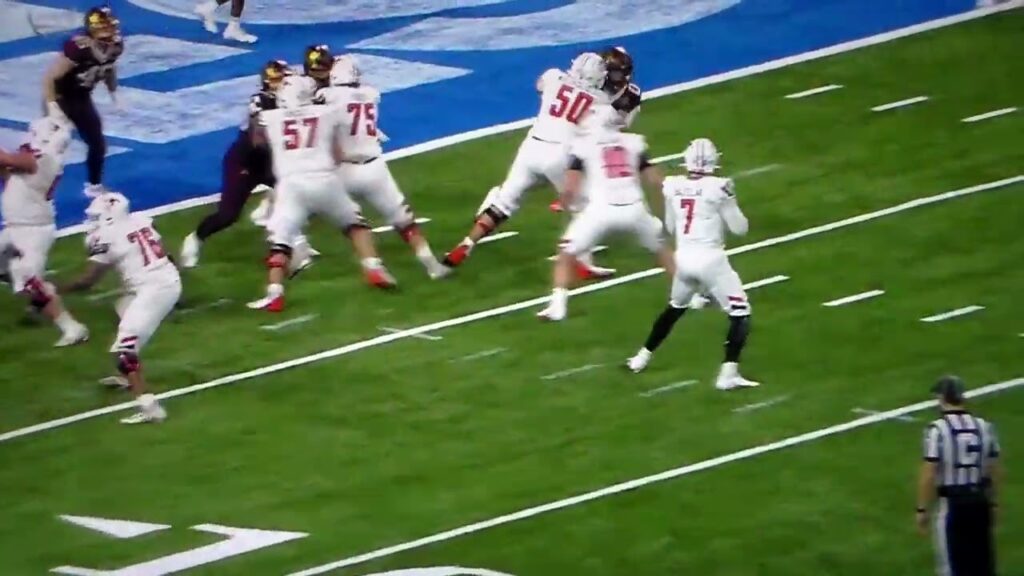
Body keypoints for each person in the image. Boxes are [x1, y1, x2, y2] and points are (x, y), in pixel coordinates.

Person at [442, 52, 617, 280]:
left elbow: (540, 87)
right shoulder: (600, 101)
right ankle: (583, 261)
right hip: (561, 154)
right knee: (584, 208)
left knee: (503, 203)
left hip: (532, 147)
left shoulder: (554, 77)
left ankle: (466, 243)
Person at [247, 76, 395, 312]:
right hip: (325, 180)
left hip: (291, 184)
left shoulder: (272, 117)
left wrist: (257, 117)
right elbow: (337, 153)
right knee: (355, 225)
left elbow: (256, 141)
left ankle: (275, 293)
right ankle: (374, 267)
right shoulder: (326, 113)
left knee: (281, 239)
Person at [625, 138, 759, 391]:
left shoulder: (673, 185)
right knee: (741, 313)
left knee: (676, 307)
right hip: (710, 259)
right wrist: (726, 205)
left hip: (683, 259)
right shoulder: (720, 186)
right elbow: (740, 229)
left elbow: (671, 226)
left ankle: (640, 358)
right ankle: (728, 374)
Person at [536, 106, 674, 321]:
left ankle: (558, 306)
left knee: (565, 253)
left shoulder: (583, 145)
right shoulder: (633, 142)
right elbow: (655, 180)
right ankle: (690, 296)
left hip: (601, 211)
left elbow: (570, 187)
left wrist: (566, 203)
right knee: (663, 251)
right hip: (635, 210)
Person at [317, 55, 448, 280]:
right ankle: (432, 265)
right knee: (404, 221)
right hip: (375, 167)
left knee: (353, 224)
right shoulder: (371, 94)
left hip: (344, 170)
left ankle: (373, 265)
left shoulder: (326, 96)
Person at [64, 192, 181, 424]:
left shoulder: (105, 236)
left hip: (153, 290)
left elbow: (89, 280)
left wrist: (57, 290)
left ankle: (150, 408)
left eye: (97, 216)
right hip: (166, 280)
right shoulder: (141, 220)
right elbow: (165, 252)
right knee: (123, 308)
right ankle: (127, 378)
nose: (93, 221)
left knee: (125, 351)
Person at [181, 60, 292, 268]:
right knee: (227, 216)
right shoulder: (260, 101)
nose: (287, 84)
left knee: (299, 194)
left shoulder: (293, 100)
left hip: (271, 160)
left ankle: (285, 238)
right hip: (246, 163)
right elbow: (258, 139)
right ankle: (195, 238)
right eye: (282, 80)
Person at [0, 117, 89, 347]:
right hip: (16, 227)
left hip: (31, 232)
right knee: (18, 276)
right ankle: (37, 298)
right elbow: (9, 173)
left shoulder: (45, 159)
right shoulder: (41, 156)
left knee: (31, 283)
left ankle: (72, 328)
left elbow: (15, 161)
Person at [917, 375, 1000, 576]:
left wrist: (921, 508)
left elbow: (929, 472)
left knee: (953, 567)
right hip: (980, 503)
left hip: (953, 506)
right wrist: (994, 503)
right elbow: (994, 468)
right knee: (982, 563)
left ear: (942, 398)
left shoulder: (937, 429)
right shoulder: (984, 426)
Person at [42, 6, 123, 197]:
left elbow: (108, 68)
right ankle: (37, 188)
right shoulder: (79, 47)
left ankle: (94, 186)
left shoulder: (116, 45)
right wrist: (52, 106)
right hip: (61, 97)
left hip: (81, 98)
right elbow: (50, 78)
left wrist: (114, 93)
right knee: (51, 146)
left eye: (111, 24)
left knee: (98, 143)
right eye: (106, 25)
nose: (111, 29)